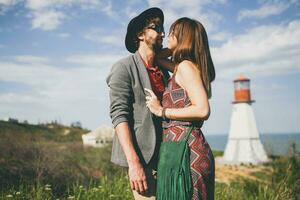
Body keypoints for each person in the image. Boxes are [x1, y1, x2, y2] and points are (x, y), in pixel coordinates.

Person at [145, 17, 216, 200]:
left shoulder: (185, 67)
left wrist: (162, 111)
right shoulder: (182, 68)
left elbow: (202, 110)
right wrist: (177, 44)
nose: (167, 35)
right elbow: (159, 58)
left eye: (172, 32)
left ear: (183, 37)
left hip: (188, 151)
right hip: (180, 148)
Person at [106, 7, 169, 200]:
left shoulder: (164, 72)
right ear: (140, 34)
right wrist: (134, 164)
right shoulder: (123, 67)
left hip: (166, 158)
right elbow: (119, 116)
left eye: (163, 27)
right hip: (143, 160)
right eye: (157, 27)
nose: (163, 33)